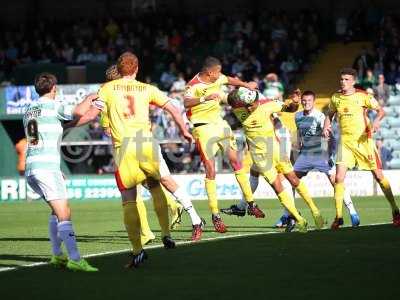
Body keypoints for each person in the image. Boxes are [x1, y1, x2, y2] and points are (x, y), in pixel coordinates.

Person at [98, 52, 193, 268]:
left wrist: (72, 121)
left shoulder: (106, 89)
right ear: (137, 68)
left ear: (118, 69)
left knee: (129, 199)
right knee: (155, 185)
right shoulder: (147, 89)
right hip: (145, 143)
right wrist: (183, 130)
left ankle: (138, 251)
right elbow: (172, 107)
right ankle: (166, 233)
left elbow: (96, 113)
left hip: (123, 148)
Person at [23, 73, 100, 272]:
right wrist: (90, 97)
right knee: (64, 213)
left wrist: (92, 112)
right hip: (46, 168)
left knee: (56, 210)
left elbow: (64, 124)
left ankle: (57, 255)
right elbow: (77, 112)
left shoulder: (29, 110)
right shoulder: (52, 105)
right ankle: (74, 258)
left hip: (33, 167)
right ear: (54, 88)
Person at [221, 88, 324, 232]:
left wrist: (295, 102)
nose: (249, 108)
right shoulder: (238, 108)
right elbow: (227, 98)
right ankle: (299, 219)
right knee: (277, 187)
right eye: (247, 105)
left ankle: (315, 211)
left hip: (276, 150)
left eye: (252, 105)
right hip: (260, 157)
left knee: (293, 179)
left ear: (257, 100)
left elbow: (290, 109)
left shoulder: (268, 104)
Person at [184, 57, 265, 233]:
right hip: (203, 128)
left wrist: (245, 85)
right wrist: (205, 98)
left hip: (220, 125)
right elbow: (186, 103)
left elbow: (230, 80)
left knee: (237, 162)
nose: (221, 75)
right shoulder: (193, 85)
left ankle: (250, 203)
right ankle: (215, 215)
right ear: (209, 72)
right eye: (218, 72)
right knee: (211, 170)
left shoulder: (218, 78)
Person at [322, 68, 400, 229]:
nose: (343, 82)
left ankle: (395, 210)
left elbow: (381, 111)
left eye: (346, 79)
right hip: (346, 143)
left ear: (353, 81)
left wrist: (377, 121)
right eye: (341, 79)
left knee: (378, 176)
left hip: (364, 142)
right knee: (338, 178)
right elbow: (330, 114)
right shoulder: (336, 97)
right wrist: (326, 126)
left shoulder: (363, 96)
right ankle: (338, 217)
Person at [276, 90, 360, 227]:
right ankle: (288, 215)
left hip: (321, 154)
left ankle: (352, 212)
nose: (306, 103)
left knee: (336, 182)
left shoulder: (320, 116)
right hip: (305, 154)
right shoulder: (297, 116)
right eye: (304, 101)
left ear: (313, 102)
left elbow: (330, 136)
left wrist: (331, 154)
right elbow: (300, 134)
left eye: (309, 101)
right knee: (290, 180)